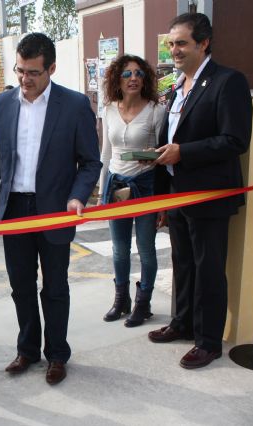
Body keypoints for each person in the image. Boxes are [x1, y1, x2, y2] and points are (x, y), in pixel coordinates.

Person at [0, 33, 101, 385]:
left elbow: (90, 162)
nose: (24, 79)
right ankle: (27, 350)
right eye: (20, 70)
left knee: (56, 286)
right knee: (21, 285)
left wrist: (78, 196)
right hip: (14, 209)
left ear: (52, 69)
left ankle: (57, 354)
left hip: (56, 210)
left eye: (33, 72)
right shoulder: (0, 106)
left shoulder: (74, 105)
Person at [148, 13, 252, 369]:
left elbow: (234, 140)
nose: (174, 50)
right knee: (184, 264)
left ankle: (208, 342)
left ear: (204, 43)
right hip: (177, 191)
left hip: (210, 195)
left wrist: (184, 152)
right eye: (171, 44)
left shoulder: (227, 82)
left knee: (209, 268)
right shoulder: (176, 86)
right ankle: (183, 323)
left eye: (181, 43)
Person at [97, 55, 165, 327]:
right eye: (127, 74)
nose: (134, 78)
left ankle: (143, 303)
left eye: (139, 73)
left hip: (146, 184)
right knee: (119, 249)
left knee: (146, 248)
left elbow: (164, 155)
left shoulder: (156, 110)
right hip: (117, 184)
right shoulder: (109, 109)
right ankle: (121, 299)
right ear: (117, 79)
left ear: (145, 79)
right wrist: (102, 192)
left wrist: (155, 157)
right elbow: (105, 153)